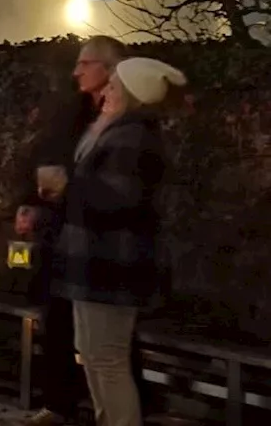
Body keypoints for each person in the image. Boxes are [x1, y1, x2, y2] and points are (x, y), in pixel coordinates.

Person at [49, 58, 181, 426]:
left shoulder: (131, 137)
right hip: (97, 264)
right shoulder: (115, 132)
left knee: (107, 359)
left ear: (131, 96)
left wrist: (67, 186)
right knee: (94, 356)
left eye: (114, 88)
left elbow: (118, 199)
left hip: (110, 267)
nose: (105, 92)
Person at [17, 35, 130, 426]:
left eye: (86, 64)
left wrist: (68, 188)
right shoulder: (74, 114)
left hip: (101, 248)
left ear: (111, 70)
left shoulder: (127, 127)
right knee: (63, 325)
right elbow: (44, 156)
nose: (76, 71)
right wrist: (30, 200)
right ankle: (60, 403)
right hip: (65, 237)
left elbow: (120, 193)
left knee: (107, 351)